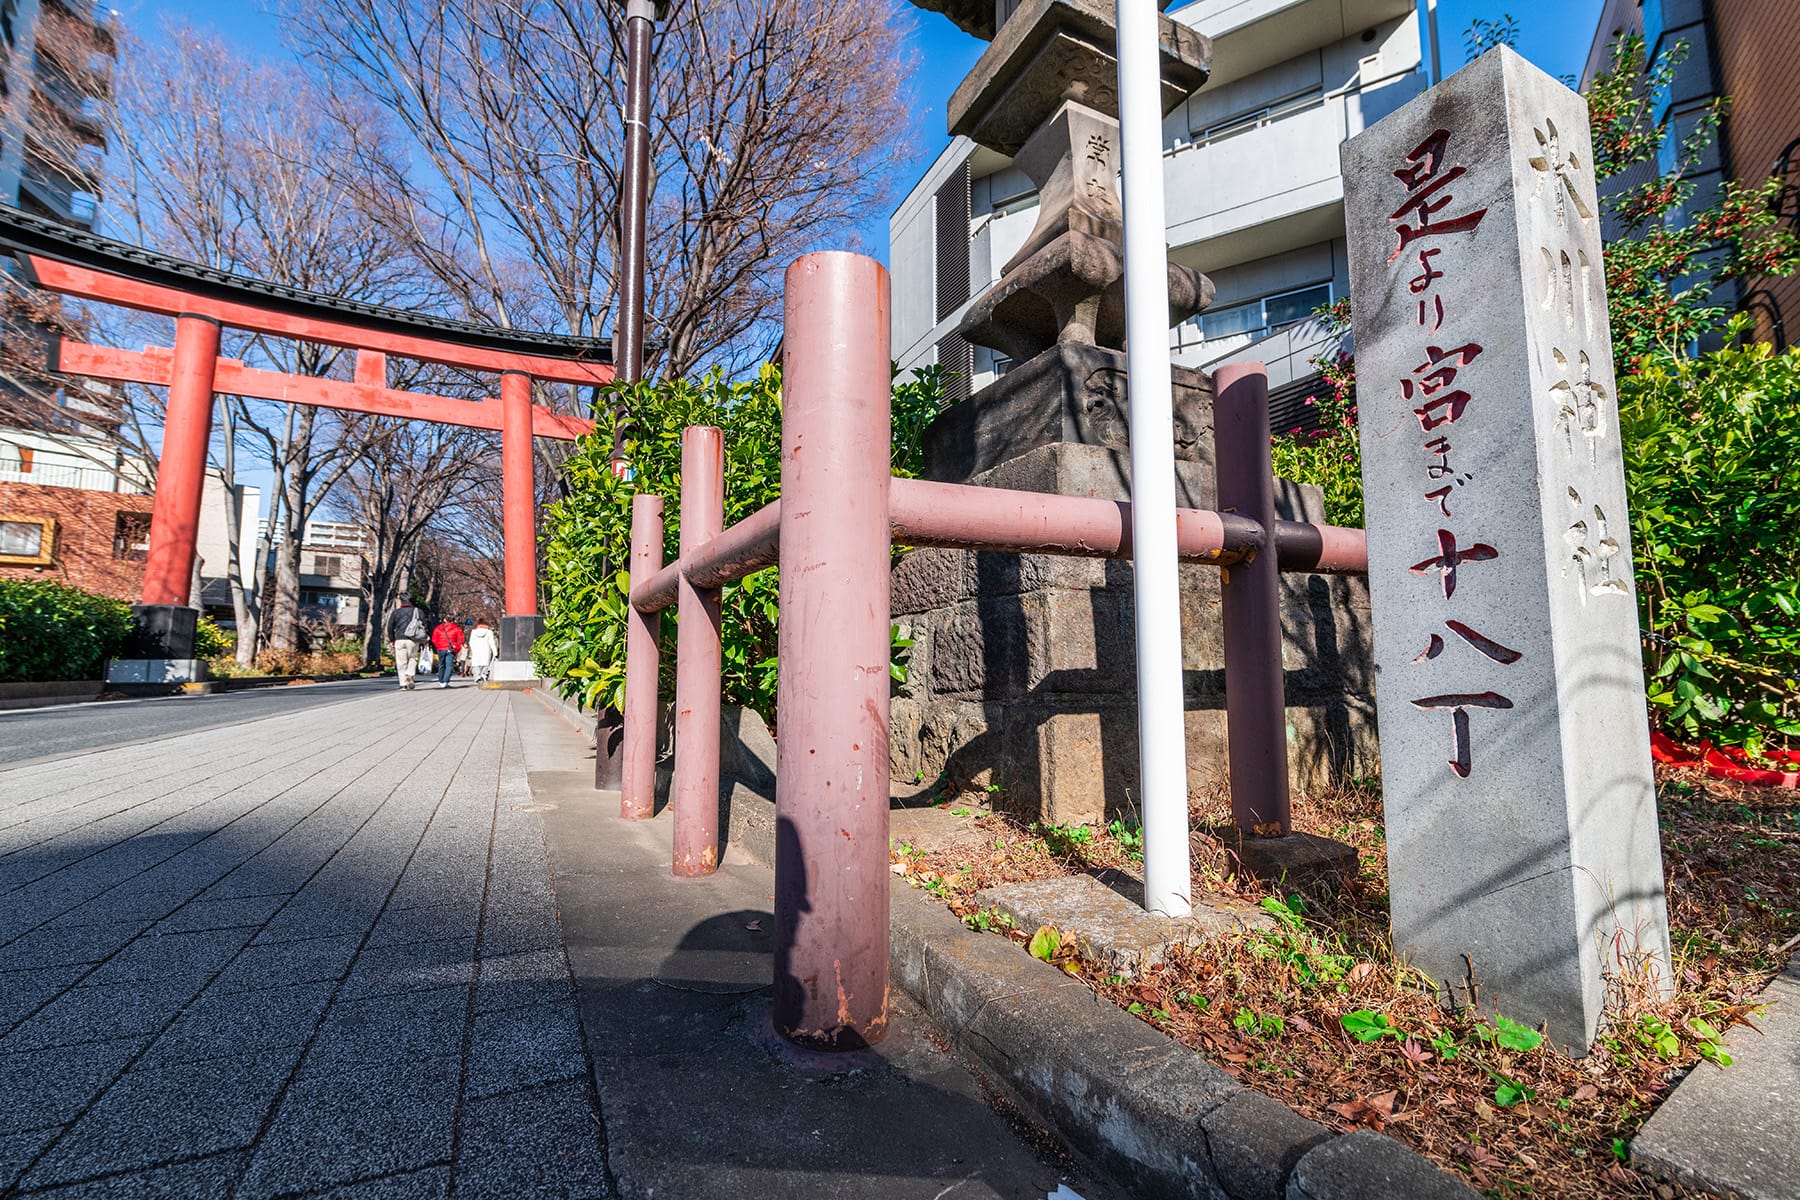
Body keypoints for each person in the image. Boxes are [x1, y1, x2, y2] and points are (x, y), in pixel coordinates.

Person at [386, 598, 429, 691]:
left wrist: (392, 639)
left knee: (401, 662)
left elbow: (390, 626)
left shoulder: (396, 613)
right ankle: (409, 674)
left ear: (401, 602)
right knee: (413, 658)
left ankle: (403, 684)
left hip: (399, 639)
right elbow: (424, 626)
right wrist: (424, 640)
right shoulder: (418, 611)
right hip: (413, 639)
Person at [430, 617, 466, 689]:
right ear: (453, 620)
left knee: (441, 665)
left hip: (440, 648)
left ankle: (441, 681)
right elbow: (460, 640)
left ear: (444, 620)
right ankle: (446, 681)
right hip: (451, 649)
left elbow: (434, 638)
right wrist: (456, 647)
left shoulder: (438, 628)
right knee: (449, 666)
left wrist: (438, 646)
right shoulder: (457, 628)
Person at [468, 619, 499, 684]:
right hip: (486, 650)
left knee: (476, 664)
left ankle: (477, 677)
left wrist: (473, 649)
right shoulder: (489, 632)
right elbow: (492, 642)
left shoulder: (473, 632)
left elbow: (471, 642)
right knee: (485, 664)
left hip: (476, 650)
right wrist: (495, 652)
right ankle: (483, 675)